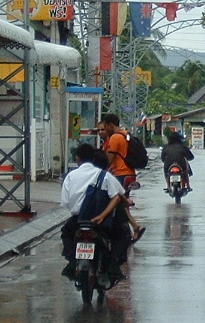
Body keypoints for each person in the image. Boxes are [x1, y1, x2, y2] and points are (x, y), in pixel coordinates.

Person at [60, 142, 126, 283]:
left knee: (66, 233)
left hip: (78, 221)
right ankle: (113, 267)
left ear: (78, 159)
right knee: (123, 234)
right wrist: (102, 216)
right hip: (100, 222)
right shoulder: (104, 176)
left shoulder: (70, 177)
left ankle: (72, 261)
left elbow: (65, 202)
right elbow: (117, 197)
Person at [99, 113, 146, 242]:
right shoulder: (125, 134)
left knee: (119, 202)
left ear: (109, 125)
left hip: (121, 174)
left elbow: (109, 159)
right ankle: (127, 233)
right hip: (130, 173)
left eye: (105, 126)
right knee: (121, 203)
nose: (104, 130)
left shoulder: (115, 138)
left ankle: (135, 227)